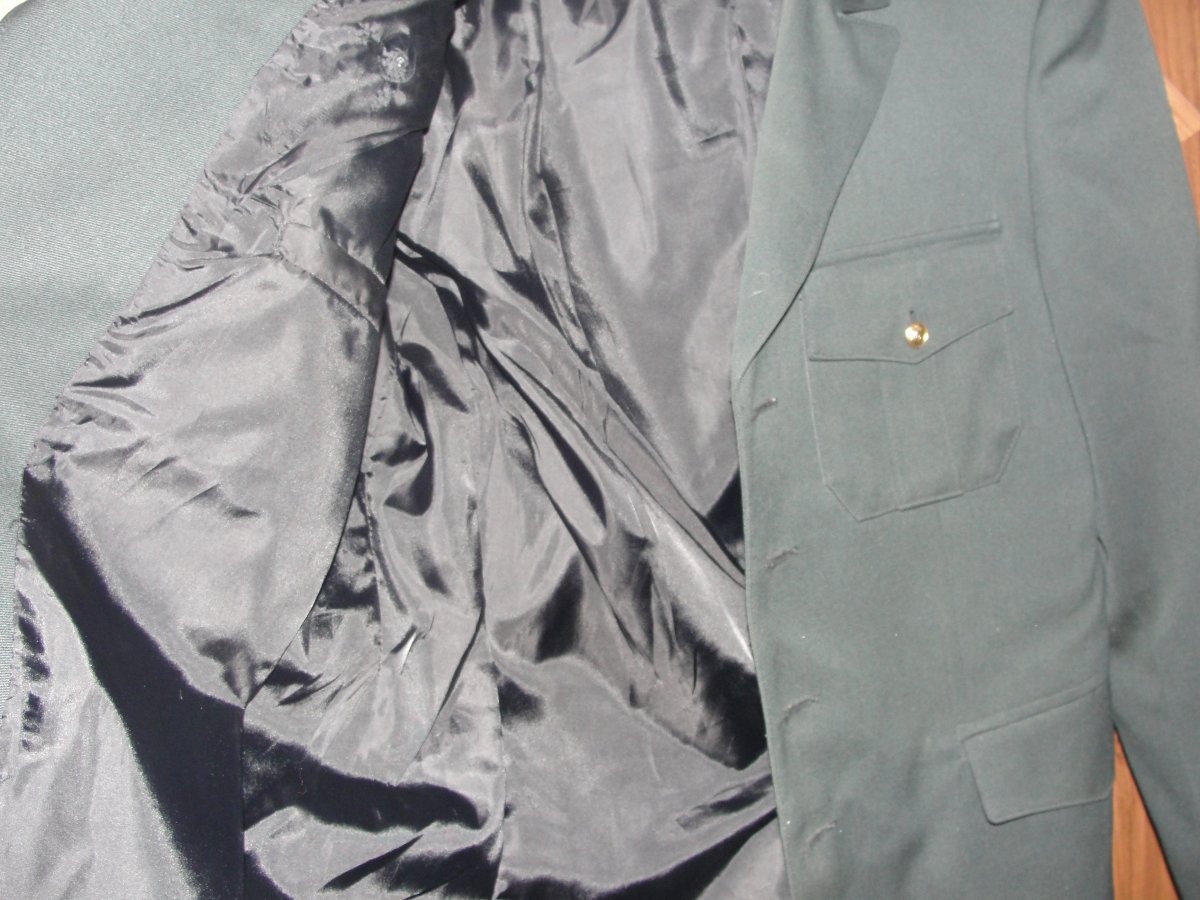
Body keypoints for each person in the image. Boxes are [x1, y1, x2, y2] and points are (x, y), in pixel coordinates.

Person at [1, 0, 1198, 896]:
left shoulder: (995, 24)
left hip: (908, 836)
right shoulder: (311, 64)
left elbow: (1159, 437)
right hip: (447, 800)